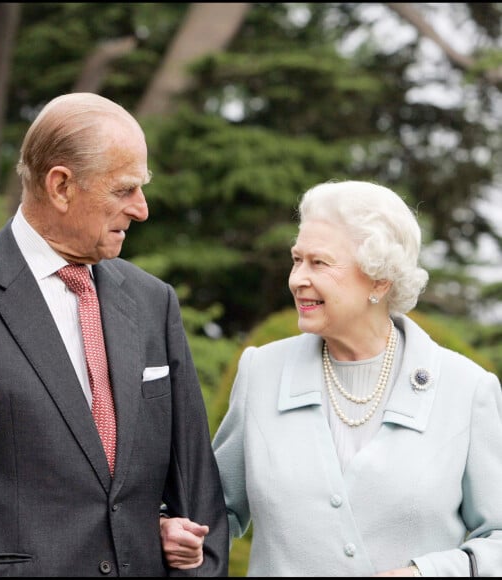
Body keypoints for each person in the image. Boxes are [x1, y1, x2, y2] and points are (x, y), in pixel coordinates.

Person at [0, 92, 228, 577]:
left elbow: (198, 496)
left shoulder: (155, 304)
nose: (142, 209)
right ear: (61, 186)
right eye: (125, 190)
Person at [160, 179, 502, 576]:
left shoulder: (466, 388)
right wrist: (173, 528)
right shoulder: (262, 372)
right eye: (296, 259)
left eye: (319, 263)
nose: (297, 279)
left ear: (379, 280)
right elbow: (212, 512)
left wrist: (427, 573)